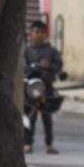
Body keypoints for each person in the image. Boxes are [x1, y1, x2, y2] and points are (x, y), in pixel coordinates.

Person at [24, 20, 63, 154]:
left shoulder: (51, 51)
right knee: (30, 117)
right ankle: (28, 144)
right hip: (30, 88)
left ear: (45, 34)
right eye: (36, 32)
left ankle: (49, 144)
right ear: (31, 34)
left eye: (41, 32)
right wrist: (32, 67)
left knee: (47, 116)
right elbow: (22, 67)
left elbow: (58, 66)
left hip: (46, 88)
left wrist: (49, 67)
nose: (38, 35)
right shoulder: (27, 50)